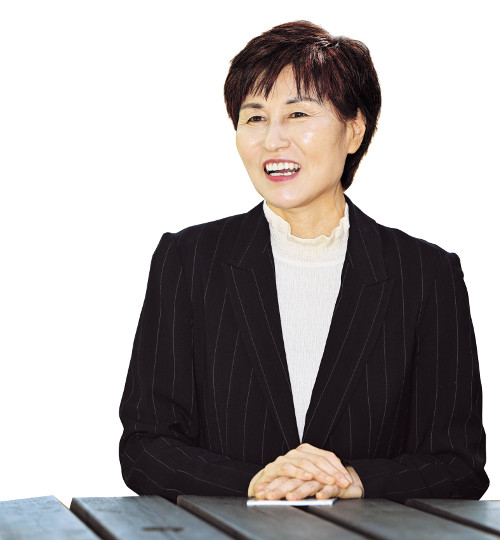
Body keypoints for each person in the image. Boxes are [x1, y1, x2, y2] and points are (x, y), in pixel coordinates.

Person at [118, 20, 488, 502]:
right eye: (254, 118)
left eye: (297, 114)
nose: (273, 140)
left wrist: (350, 480)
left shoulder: (425, 275)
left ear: (354, 130)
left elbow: (458, 465)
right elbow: (145, 447)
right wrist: (254, 482)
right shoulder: (189, 261)